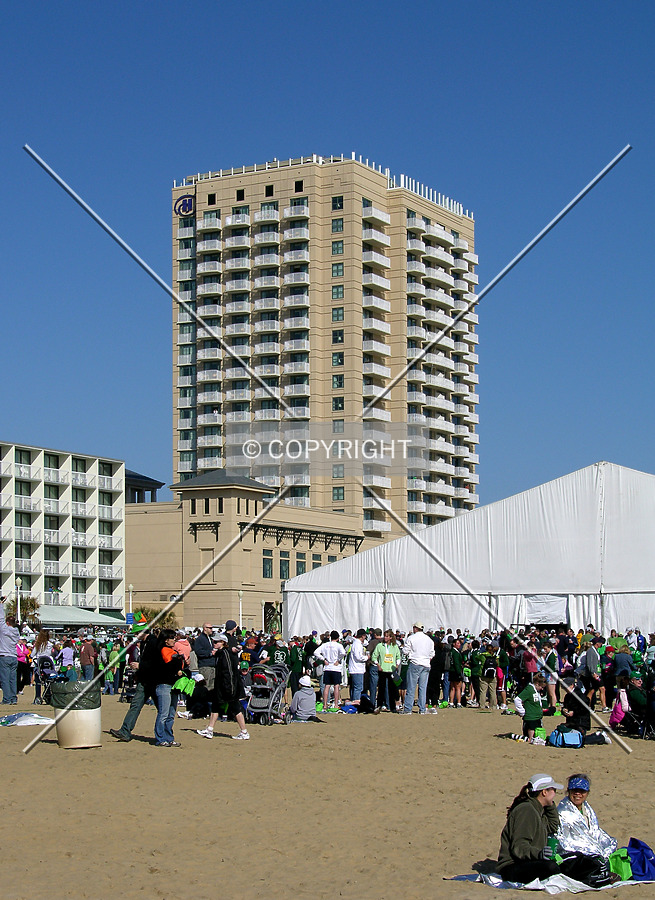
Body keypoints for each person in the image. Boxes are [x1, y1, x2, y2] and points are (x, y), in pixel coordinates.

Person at [496, 774, 563, 883]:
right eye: (553, 790)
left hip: (529, 861)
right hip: (513, 866)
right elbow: (519, 847)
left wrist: (550, 804)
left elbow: (553, 826)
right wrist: (539, 854)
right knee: (552, 868)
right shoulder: (527, 810)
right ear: (544, 792)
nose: (555, 793)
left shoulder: (538, 810)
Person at [197, 633, 250, 740]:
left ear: (223, 643)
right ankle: (210, 729)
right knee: (216, 706)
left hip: (228, 687)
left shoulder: (226, 653)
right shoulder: (220, 653)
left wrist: (229, 688)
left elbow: (229, 672)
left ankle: (244, 732)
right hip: (221, 686)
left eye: (216, 642)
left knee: (236, 708)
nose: (214, 643)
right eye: (214, 641)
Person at [110, 631, 159, 742]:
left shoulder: (153, 642)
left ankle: (165, 735)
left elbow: (155, 663)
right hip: (144, 680)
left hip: (153, 681)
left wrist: (140, 666)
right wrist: (138, 672)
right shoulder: (143, 643)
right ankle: (125, 731)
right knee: (135, 705)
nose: (135, 635)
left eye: (137, 633)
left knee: (162, 709)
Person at [556, 774, 617, 859]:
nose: (578, 794)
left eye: (582, 791)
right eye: (574, 790)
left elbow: (595, 832)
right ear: (568, 791)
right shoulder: (563, 813)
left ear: (587, 793)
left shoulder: (587, 810)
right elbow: (565, 842)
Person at [153, 629, 185, 747]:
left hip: (174, 685)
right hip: (164, 685)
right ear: (166, 640)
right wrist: (177, 659)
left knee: (171, 714)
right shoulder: (162, 651)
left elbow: (179, 666)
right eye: (172, 638)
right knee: (163, 714)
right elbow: (168, 665)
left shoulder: (173, 651)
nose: (174, 640)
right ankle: (161, 738)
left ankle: (169, 737)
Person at [402, 622, 435, 714]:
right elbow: (432, 653)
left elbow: (405, 651)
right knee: (422, 688)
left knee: (411, 687)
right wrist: (427, 659)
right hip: (426, 664)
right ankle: (422, 708)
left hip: (415, 663)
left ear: (415, 628)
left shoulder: (411, 638)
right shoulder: (429, 639)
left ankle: (408, 708)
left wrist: (410, 654)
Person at [314, 631, 346, 711]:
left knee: (327, 686)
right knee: (336, 686)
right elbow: (343, 653)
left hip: (328, 667)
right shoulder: (339, 645)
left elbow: (316, 652)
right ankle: (335, 703)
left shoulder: (325, 645)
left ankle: (325, 704)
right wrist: (338, 660)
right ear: (338, 638)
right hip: (335, 668)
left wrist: (323, 659)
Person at [371, 629, 401, 712]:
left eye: (387, 636)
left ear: (391, 637)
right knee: (381, 688)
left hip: (391, 669)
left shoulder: (394, 646)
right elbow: (374, 656)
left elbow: (398, 656)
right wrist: (378, 664)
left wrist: (397, 665)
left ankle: (392, 707)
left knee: (392, 689)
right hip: (383, 669)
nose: (385, 638)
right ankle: (379, 705)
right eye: (385, 636)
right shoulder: (380, 646)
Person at [514, 674, 546, 742]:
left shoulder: (536, 691)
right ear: (537, 684)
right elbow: (517, 700)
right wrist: (522, 712)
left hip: (537, 718)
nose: (542, 689)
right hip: (531, 718)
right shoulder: (529, 689)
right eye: (541, 687)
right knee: (531, 739)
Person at [0, 599, 20, 704]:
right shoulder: (16, 632)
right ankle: (13, 698)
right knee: (13, 679)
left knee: (5, 679)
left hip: (5, 656)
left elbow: (0, 619)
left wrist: (1, 605)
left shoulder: (4, 629)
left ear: (7, 623)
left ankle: (7, 699)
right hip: (14, 657)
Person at [194, 623, 217, 691]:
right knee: (205, 685)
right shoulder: (200, 639)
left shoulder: (210, 638)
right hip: (205, 666)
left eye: (212, 628)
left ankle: (210, 700)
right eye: (210, 628)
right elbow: (198, 651)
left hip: (212, 665)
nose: (211, 630)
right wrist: (210, 653)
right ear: (205, 628)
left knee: (212, 686)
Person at [348, 628, 368, 703]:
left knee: (355, 687)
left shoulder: (357, 643)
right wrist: (366, 657)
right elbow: (358, 657)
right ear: (362, 636)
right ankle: (355, 702)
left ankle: (353, 701)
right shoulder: (357, 644)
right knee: (358, 687)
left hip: (355, 668)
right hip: (357, 669)